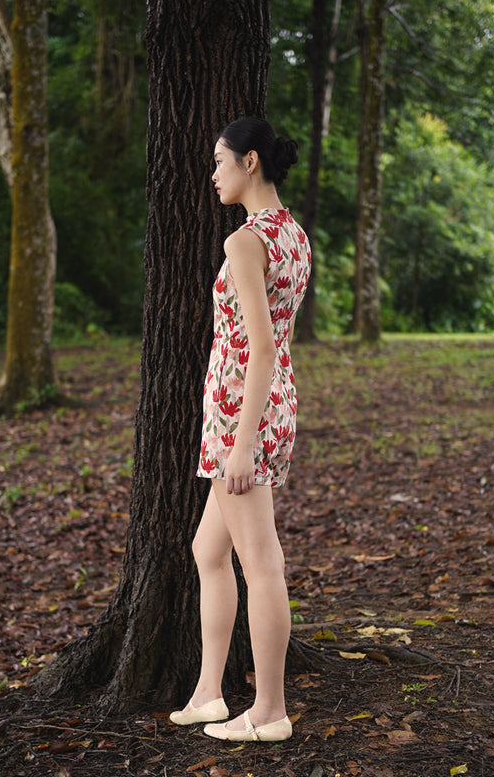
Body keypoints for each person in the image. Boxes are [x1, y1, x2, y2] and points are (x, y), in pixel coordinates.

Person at [169, 117, 311, 742]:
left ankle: (270, 712)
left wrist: (243, 439)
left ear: (251, 161)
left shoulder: (245, 242)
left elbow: (258, 347)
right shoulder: (295, 235)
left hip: (242, 415)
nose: (213, 173)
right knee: (209, 551)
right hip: (263, 405)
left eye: (220, 161)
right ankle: (208, 694)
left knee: (262, 563)